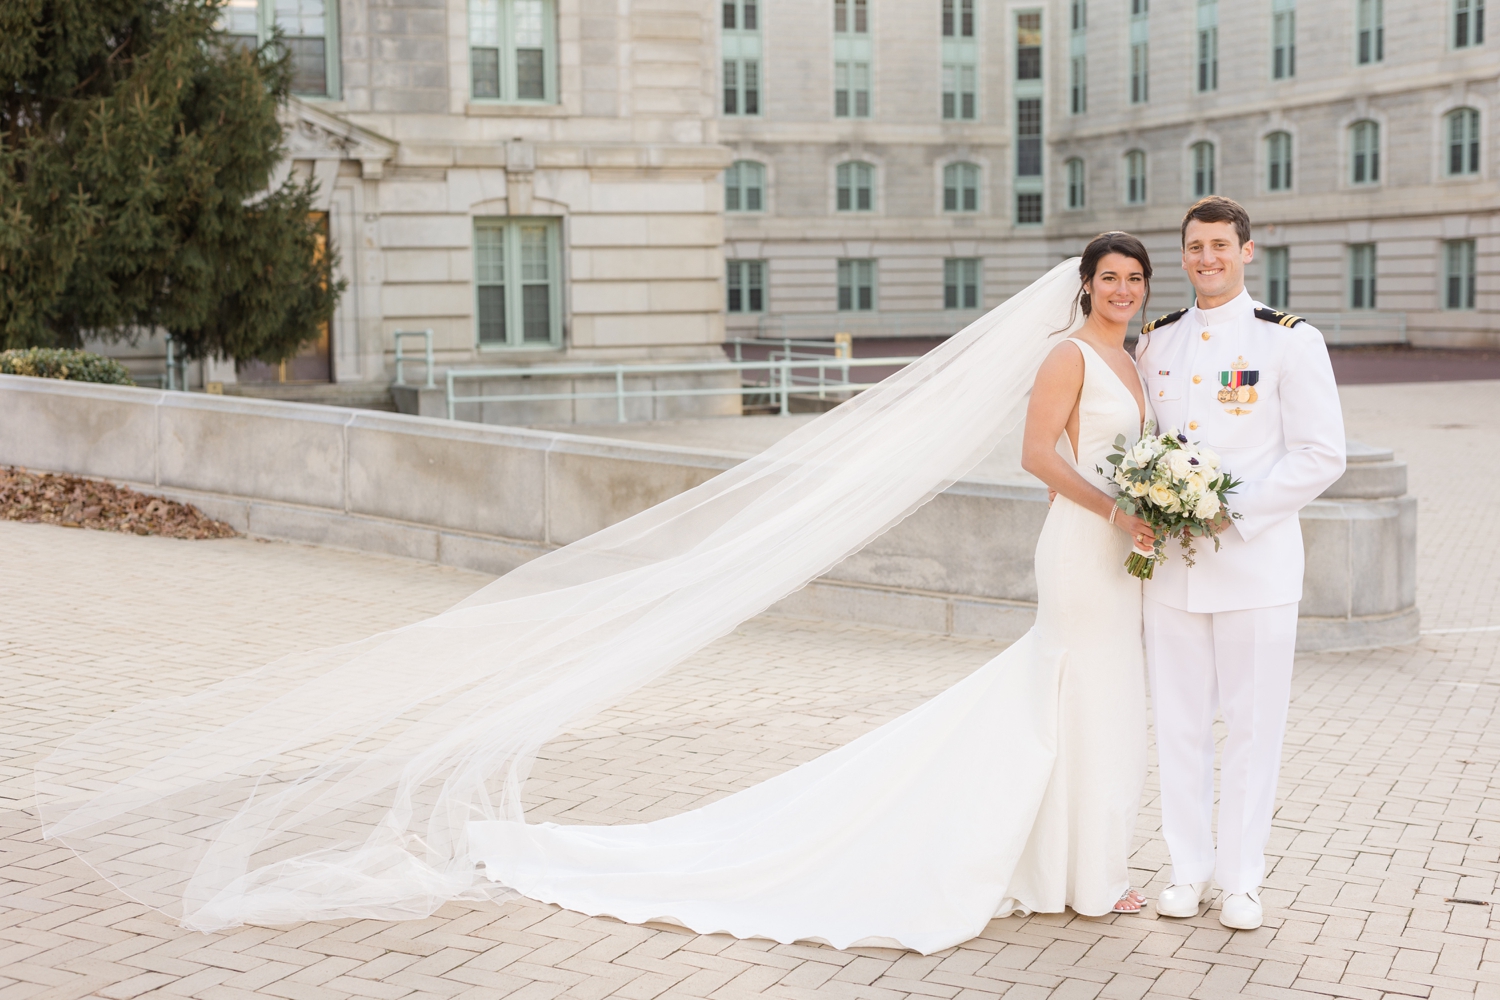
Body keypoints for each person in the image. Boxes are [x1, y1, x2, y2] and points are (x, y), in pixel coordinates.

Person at [40, 238, 1157, 949]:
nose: (1120, 290)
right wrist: (1118, 506)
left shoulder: (1140, 360)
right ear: (1084, 286)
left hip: (1126, 551)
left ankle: (1079, 866)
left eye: (1132, 280)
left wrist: (1163, 503)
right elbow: (1035, 457)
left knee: (1097, 706)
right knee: (1060, 690)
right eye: (1109, 278)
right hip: (1081, 545)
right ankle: (1062, 865)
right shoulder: (1066, 354)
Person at [1135, 197, 1346, 931]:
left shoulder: (1289, 341)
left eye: (1220, 246)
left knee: (1254, 728)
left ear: (1247, 251)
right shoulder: (1155, 342)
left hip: (1255, 567)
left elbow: (1323, 453)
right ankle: (1187, 871)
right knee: (1181, 726)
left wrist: (1236, 508)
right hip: (1172, 571)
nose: (1207, 259)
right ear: (1184, 254)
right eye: (1195, 247)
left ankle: (1242, 878)